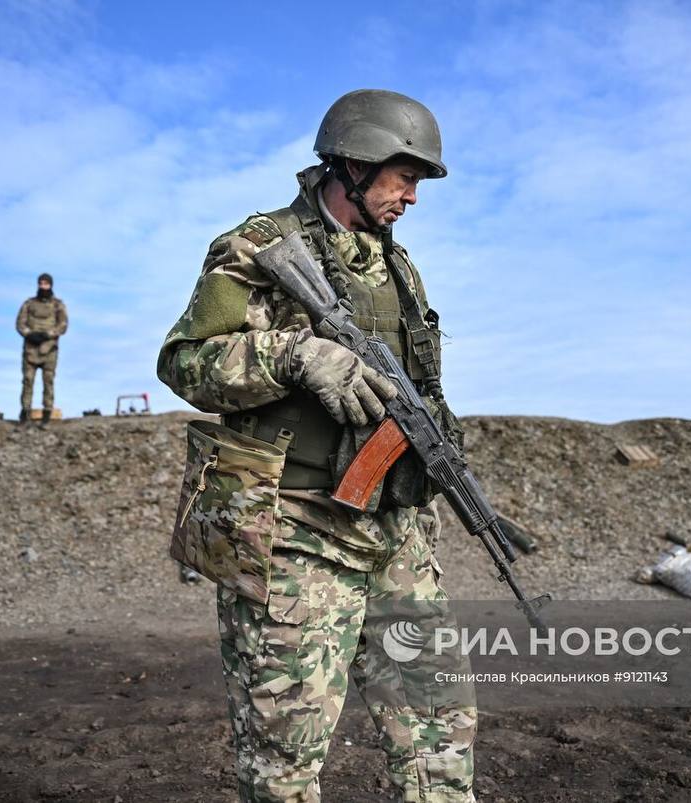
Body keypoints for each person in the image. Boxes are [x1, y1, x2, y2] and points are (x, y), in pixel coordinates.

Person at [159, 90, 476, 802]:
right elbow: (183, 362)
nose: (414, 197)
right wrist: (294, 357)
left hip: (395, 538)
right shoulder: (261, 246)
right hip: (295, 536)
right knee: (285, 759)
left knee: (439, 736)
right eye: (405, 176)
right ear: (356, 163)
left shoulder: (397, 266)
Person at [16, 273, 68, 424]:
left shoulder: (58, 305)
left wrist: (48, 335)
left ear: (51, 285)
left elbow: (63, 325)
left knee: (48, 381)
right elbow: (20, 323)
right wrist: (29, 334)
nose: (43, 286)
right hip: (30, 349)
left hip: (49, 349)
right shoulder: (29, 304)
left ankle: (47, 413)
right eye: (41, 283)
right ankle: (25, 413)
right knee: (27, 381)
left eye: (46, 283)